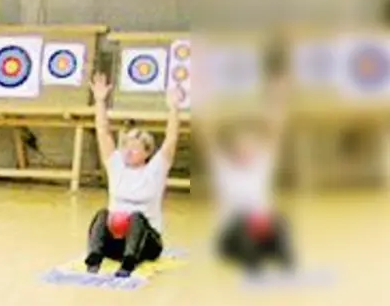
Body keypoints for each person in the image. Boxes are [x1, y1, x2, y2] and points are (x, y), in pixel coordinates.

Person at [85, 74, 183, 277]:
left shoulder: (155, 169)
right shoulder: (116, 165)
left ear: (147, 153)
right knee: (102, 215)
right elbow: (103, 132)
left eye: (135, 149)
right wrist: (100, 101)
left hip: (147, 244)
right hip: (117, 242)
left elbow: (171, 139)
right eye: (126, 148)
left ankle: (129, 263)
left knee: (136, 218)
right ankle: (94, 258)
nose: (128, 152)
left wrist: (174, 107)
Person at [201, 97, 294, 276]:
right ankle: (253, 263)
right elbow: (208, 139)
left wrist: (278, 104)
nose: (246, 150)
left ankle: (284, 262)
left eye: (250, 146)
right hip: (231, 236)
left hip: (259, 229)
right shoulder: (224, 168)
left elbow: (276, 134)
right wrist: (205, 107)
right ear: (234, 150)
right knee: (245, 224)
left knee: (279, 221)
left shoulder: (261, 166)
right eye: (241, 147)